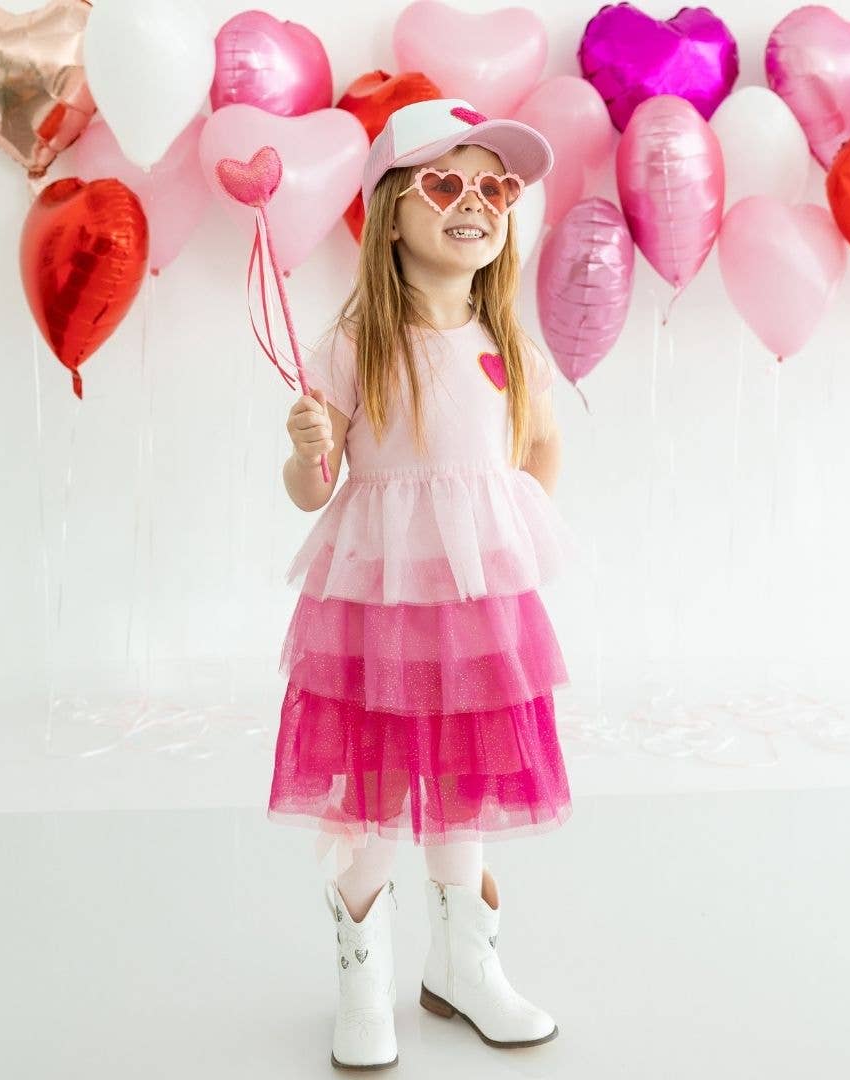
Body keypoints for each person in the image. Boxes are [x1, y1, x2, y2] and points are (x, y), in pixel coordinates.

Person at [266, 97, 583, 1070]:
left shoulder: (507, 345)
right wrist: (308, 451)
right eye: (446, 184)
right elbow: (313, 490)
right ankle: (364, 981)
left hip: (476, 610)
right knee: (373, 790)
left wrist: (501, 533)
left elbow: (540, 448)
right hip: (380, 609)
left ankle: (463, 966)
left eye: (496, 188)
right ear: (390, 213)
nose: (474, 202)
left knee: (463, 785)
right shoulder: (355, 346)